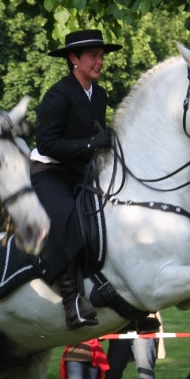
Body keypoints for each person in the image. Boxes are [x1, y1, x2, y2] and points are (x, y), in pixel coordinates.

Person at [31, 29, 122, 330]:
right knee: (71, 218)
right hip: (49, 173)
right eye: (93, 56)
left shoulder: (100, 95)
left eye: (101, 55)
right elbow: (46, 143)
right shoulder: (57, 95)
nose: (100, 61)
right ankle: (72, 303)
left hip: (79, 174)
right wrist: (89, 145)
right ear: (74, 59)